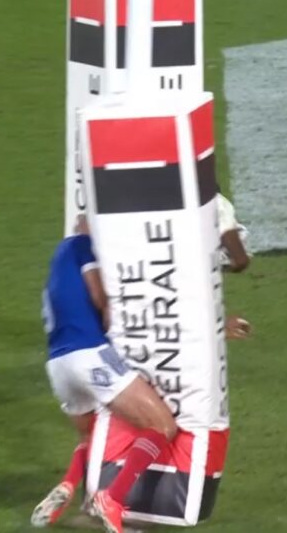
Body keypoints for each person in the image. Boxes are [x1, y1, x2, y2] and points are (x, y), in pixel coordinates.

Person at [30, 216, 179, 533]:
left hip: (57, 365)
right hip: (90, 356)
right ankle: (112, 497)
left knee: (90, 436)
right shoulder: (83, 246)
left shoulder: (58, 261)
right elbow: (99, 297)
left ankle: (68, 484)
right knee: (162, 425)